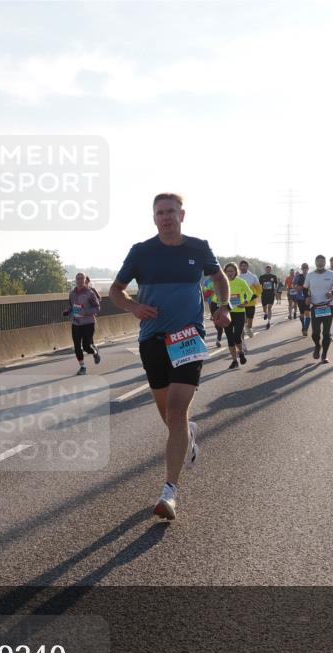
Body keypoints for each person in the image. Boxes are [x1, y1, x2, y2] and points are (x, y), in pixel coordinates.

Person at [109, 192, 230, 522]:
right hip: (152, 340)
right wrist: (133, 306)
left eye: (171, 211)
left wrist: (222, 306)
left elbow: (219, 279)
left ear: (182, 214)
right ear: (154, 218)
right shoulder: (141, 252)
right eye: (160, 212)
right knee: (169, 417)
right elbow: (115, 290)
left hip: (188, 339)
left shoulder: (198, 247)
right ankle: (188, 437)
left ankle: (169, 492)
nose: (166, 217)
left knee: (177, 412)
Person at [303, 254, 333, 363]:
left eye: (322, 261)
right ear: (315, 263)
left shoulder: (331, 274)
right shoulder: (310, 275)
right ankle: (317, 346)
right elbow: (305, 289)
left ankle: (324, 355)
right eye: (318, 261)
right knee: (315, 333)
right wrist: (307, 297)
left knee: (326, 333)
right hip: (315, 307)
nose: (320, 263)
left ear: (325, 263)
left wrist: (331, 292)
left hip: (328, 306)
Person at [217, 262, 253, 370]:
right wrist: (218, 308)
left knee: (237, 335)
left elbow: (250, 293)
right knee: (229, 338)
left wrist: (246, 302)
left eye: (232, 271)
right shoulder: (222, 283)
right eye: (227, 271)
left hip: (239, 312)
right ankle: (234, 361)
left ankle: (241, 352)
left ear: (235, 271)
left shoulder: (241, 282)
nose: (229, 273)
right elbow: (216, 297)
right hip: (227, 313)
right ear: (225, 272)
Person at [65, 273, 102, 374]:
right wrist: (68, 311)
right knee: (77, 345)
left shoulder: (90, 293)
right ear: (75, 280)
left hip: (88, 323)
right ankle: (83, 367)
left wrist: (85, 312)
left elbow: (97, 307)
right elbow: (72, 306)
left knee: (86, 346)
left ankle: (94, 352)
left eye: (82, 278)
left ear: (85, 280)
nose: (80, 280)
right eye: (78, 278)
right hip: (76, 323)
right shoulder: (72, 293)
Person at [237, 260, 260, 341]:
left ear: (247, 267)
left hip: (251, 303)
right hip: (240, 303)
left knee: (249, 321)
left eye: (245, 266)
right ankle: (242, 342)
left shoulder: (253, 277)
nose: (243, 267)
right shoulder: (237, 277)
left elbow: (259, 289)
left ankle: (248, 327)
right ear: (239, 267)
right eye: (241, 266)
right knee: (241, 323)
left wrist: (255, 295)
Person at [203, 276, 224, 347]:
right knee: (216, 323)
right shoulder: (207, 282)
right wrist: (211, 291)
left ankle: (218, 339)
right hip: (212, 302)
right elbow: (205, 293)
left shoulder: (222, 279)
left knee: (220, 322)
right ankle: (220, 331)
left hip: (222, 302)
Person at [259, 264, 279, 330]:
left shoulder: (273, 276)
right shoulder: (262, 277)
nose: (268, 270)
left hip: (271, 294)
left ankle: (268, 322)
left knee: (269, 308)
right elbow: (259, 285)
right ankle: (265, 313)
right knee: (264, 308)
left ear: (271, 270)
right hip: (264, 294)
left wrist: (275, 291)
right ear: (265, 269)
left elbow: (276, 284)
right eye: (267, 269)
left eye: (269, 269)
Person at [292, 263, 311, 336]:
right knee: (302, 314)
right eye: (303, 267)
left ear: (308, 268)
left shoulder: (311, 276)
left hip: (308, 297)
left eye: (306, 267)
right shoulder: (298, 276)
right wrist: (298, 288)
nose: (305, 269)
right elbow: (294, 286)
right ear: (301, 268)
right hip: (300, 297)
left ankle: (305, 329)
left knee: (307, 313)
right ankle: (303, 326)